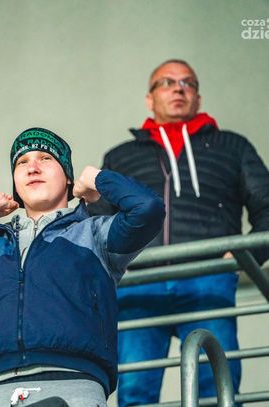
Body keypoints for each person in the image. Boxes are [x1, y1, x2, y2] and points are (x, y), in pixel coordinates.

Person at [0, 127, 165, 407]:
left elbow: (148, 209)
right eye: (22, 162)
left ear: (68, 177)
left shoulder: (95, 234)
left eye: (46, 158)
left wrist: (96, 178)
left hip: (74, 382)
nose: (32, 167)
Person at [91, 59, 269, 405]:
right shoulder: (121, 157)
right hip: (138, 283)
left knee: (217, 387)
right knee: (135, 391)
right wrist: (111, 270)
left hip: (208, 277)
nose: (178, 88)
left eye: (188, 83)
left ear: (198, 98)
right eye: (167, 82)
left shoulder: (231, 146)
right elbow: (97, 223)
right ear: (149, 98)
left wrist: (246, 256)